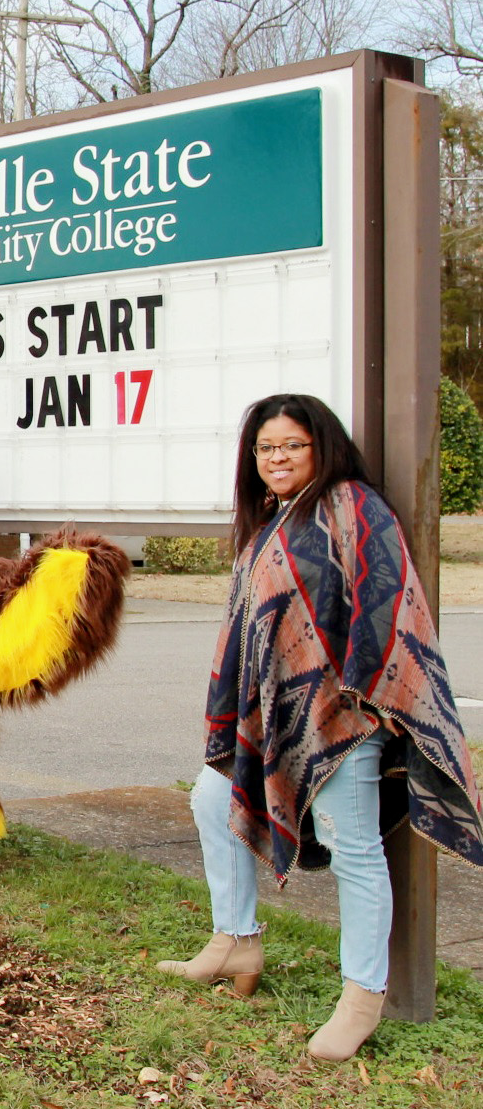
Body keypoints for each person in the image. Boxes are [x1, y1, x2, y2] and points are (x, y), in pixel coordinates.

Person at [158, 394, 483, 1061]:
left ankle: (362, 995)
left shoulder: (351, 506)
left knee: (353, 845)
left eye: (290, 446)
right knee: (211, 797)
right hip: (273, 714)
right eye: (264, 448)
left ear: (320, 447)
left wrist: (367, 693)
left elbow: (387, 603)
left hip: (345, 716)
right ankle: (235, 940)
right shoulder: (271, 521)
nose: (275, 458)